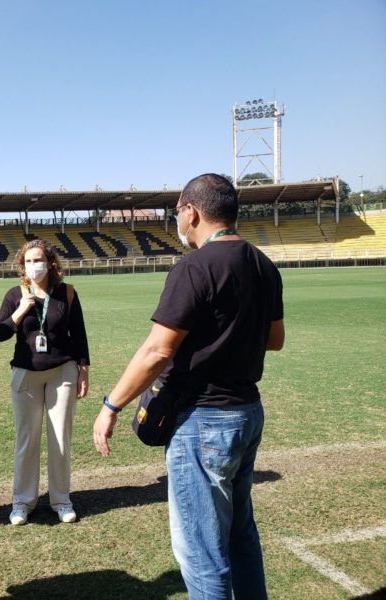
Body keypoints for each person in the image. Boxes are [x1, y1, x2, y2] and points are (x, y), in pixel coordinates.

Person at [93, 173, 285, 599]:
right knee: (240, 536)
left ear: (192, 211)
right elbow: (275, 340)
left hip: (203, 420)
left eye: (176, 211)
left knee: (201, 553)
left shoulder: (194, 267)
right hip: (247, 412)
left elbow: (157, 352)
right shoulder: (263, 264)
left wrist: (111, 406)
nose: (176, 219)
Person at [0, 238, 90, 525]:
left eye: (39, 260)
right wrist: (21, 310)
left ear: (51, 262)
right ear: (22, 265)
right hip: (25, 374)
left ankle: (61, 500)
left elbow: (79, 334)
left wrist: (84, 369)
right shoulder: (14, 294)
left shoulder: (67, 293)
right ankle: (23, 502)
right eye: (29, 261)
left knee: (60, 438)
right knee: (27, 440)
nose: (35, 265)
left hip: (63, 372)